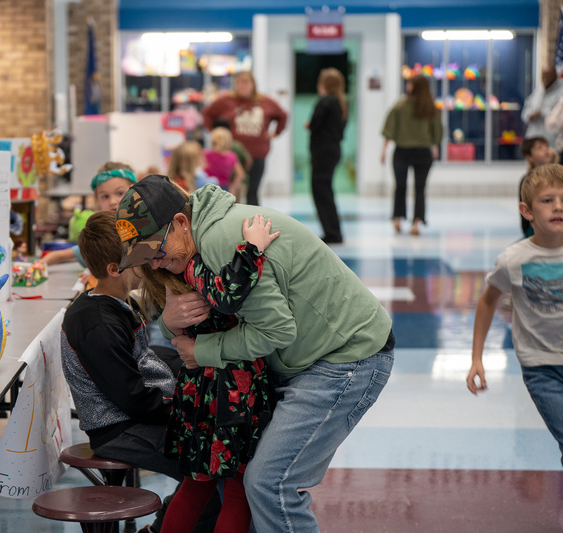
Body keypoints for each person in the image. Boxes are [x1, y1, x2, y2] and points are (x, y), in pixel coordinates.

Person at [115, 175, 395, 533]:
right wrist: (171, 325)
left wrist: (202, 351)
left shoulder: (218, 241)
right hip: (300, 360)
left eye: (155, 252)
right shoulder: (194, 243)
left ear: (181, 223)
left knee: (269, 484)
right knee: (235, 482)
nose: (154, 264)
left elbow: (276, 330)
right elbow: (205, 317)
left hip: (345, 357)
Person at [60, 210, 218, 533]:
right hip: (120, 429)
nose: (148, 261)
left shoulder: (115, 302)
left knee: (210, 464)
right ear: (114, 269)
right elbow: (132, 398)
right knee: (207, 470)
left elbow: (143, 362)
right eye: (138, 257)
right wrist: (183, 410)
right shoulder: (97, 326)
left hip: (137, 416)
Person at [135, 214, 279, 533]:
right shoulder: (195, 273)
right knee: (239, 491)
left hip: (197, 391)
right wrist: (251, 248)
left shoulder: (165, 285)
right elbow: (232, 290)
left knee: (195, 487)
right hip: (235, 387)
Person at [466, 164, 563, 466]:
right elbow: (487, 302)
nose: (558, 206)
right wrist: (477, 358)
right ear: (527, 211)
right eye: (547, 200)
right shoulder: (513, 260)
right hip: (540, 366)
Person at [202, 71, 288, 206]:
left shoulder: (265, 102)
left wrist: (276, 133)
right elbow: (207, 113)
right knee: (232, 192)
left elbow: (282, 115)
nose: (242, 86)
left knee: (253, 192)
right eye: (239, 82)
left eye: (245, 82)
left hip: (258, 153)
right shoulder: (226, 101)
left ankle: (255, 224)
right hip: (233, 155)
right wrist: (216, 133)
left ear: (253, 84)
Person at [33, 163, 137, 269]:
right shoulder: (101, 235)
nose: (112, 201)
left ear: (135, 194)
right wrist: (41, 263)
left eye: (120, 193)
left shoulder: (144, 229)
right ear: (97, 201)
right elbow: (61, 255)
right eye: (105, 196)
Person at [381, 74, 443, 236]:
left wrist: (384, 150)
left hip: (402, 151)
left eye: (410, 84)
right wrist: (435, 146)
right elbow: (437, 131)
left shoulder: (400, 105)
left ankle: (397, 218)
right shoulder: (430, 108)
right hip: (423, 152)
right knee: (420, 188)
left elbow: (389, 128)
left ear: (414, 87)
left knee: (400, 186)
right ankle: (416, 223)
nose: (407, 86)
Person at [306, 67, 347, 244]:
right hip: (334, 150)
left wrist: (309, 125)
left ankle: (332, 233)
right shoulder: (341, 103)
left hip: (322, 151)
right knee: (326, 190)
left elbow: (315, 124)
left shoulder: (324, 102)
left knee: (321, 191)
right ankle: (333, 230)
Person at [518, 137, 556, 238]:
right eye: (539, 148)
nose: (546, 150)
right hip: (534, 230)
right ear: (529, 157)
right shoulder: (528, 181)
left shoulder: (557, 176)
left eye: (547, 146)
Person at [522, 64, 563, 146]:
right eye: (543, 75)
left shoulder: (561, 91)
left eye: (548, 76)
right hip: (533, 139)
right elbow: (525, 113)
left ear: (555, 75)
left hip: (552, 142)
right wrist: (530, 116)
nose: (545, 79)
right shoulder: (538, 90)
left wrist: (542, 113)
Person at [203, 126, 245, 198]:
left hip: (207, 188)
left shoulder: (205, 154)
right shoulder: (231, 156)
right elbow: (240, 174)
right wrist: (233, 187)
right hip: (224, 189)